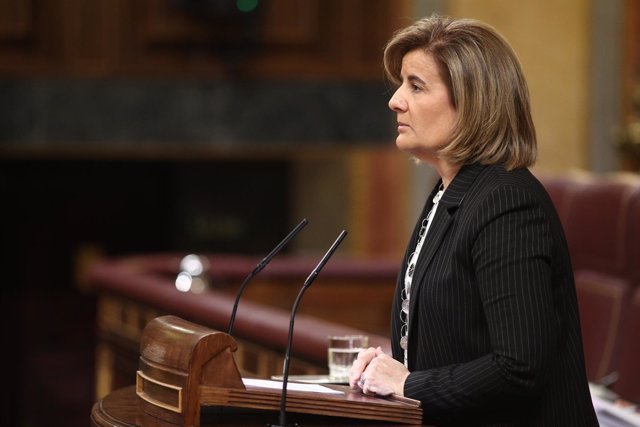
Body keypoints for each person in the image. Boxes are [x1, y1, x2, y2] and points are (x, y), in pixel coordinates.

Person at [348, 14, 598, 426]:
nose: (395, 100)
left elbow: (519, 367)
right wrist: (392, 367)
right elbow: (458, 338)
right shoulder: (450, 191)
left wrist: (409, 384)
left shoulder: (506, 202)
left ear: (471, 100)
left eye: (415, 85)